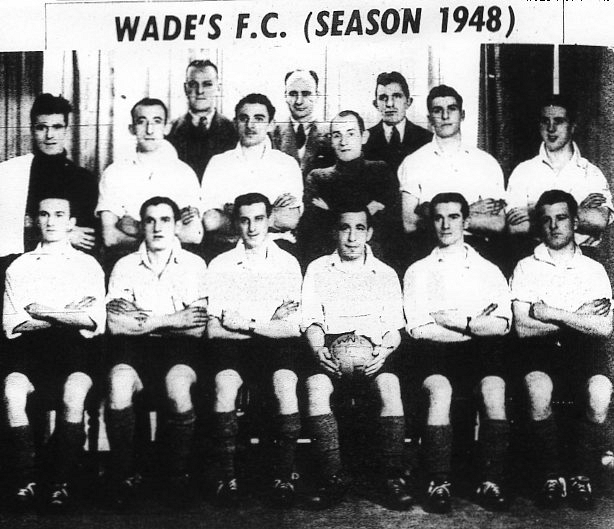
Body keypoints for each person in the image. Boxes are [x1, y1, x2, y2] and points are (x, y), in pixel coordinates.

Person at [403, 192, 512, 513]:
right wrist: (474, 324)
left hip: (479, 354)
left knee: (494, 389)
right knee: (440, 390)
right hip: (434, 353)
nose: (446, 224)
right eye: (439, 217)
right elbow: (419, 328)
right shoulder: (418, 270)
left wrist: (454, 320)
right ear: (431, 222)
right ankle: (438, 482)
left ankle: (491, 481)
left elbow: (502, 325)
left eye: (453, 217)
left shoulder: (488, 269)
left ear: (466, 221)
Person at [301, 204, 411, 510]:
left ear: (369, 232)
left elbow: (394, 328)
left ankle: (392, 477)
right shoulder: (318, 268)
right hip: (330, 350)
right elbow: (311, 320)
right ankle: (332, 477)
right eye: (344, 228)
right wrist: (318, 350)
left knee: (390, 386)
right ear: (334, 232)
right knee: (315, 387)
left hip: (374, 352)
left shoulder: (385, 273)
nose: (351, 237)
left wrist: (384, 353)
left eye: (359, 228)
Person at [509, 189, 613, 510]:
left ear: (576, 222)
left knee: (600, 391)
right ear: (539, 225)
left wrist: (552, 312)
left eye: (562, 218)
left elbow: (604, 327)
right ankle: (552, 476)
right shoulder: (526, 266)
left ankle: (581, 475)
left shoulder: (593, 269)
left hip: (583, 354)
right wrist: (579, 316)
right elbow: (523, 327)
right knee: (538, 388)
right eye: (546, 220)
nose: (554, 226)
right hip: (539, 353)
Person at [2, 195, 105, 512]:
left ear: (72, 222)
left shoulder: (88, 265)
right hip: (28, 352)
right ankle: (27, 480)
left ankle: (61, 482)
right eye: (44, 214)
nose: (51, 221)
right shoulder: (19, 266)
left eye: (59, 215)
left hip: (75, 351)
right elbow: (13, 323)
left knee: (75, 393)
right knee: (12, 392)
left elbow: (93, 320)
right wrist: (65, 313)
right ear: (35, 220)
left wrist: (42, 311)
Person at [105, 196, 208, 507]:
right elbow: (116, 325)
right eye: (150, 220)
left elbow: (197, 327)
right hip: (134, 347)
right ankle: (126, 475)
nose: (157, 227)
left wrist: (143, 319)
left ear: (176, 226)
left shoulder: (194, 264)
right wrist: (172, 319)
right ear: (141, 226)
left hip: (181, 348)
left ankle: (176, 476)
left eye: (165, 220)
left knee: (178, 387)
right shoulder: (124, 266)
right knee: (119, 384)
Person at [206, 193, 303, 508]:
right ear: (236, 222)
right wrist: (267, 321)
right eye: (245, 220)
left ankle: (284, 475)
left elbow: (292, 328)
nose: (252, 227)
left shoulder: (287, 263)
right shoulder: (221, 264)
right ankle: (228, 477)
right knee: (224, 386)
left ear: (270, 219)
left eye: (259, 219)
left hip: (274, 346)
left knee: (285, 385)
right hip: (234, 348)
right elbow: (214, 329)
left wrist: (244, 323)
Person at [398, 85, 506, 266]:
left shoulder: (486, 163)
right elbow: (410, 224)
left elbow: (498, 223)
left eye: (452, 109)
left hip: (477, 254)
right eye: (437, 110)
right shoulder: (413, 162)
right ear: (429, 119)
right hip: (429, 253)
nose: (445, 116)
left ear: (462, 115)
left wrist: (431, 212)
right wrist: (470, 211)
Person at [96, 98, 203, 267]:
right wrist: (167, 231)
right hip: (128, 261)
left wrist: (138, 228)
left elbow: (194, 235)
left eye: (157, 121)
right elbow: (110, 237)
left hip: (174, 263)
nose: (149, 130)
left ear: (167, 128)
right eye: (141, 122)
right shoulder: (114, 173)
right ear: (132, 128)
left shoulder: (184, 173)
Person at [506, 95, 613, 261]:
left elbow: (599, 220)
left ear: (572, 126)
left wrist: (535, 211)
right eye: (545, 121)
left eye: (559, 121)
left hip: (583, 259)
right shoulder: (523, 171)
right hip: (535, 259)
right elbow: (515, 227)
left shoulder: (591, 173)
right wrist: (578, 212)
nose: (551, 128)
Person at [201, 93, 303, 258]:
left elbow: (290, 219)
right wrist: (270, 214)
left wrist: (235, 216)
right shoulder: (218, 163)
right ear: (235, 123)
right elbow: (211, 221)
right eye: (244, 118)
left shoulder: (287, 164)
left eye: (259, 118)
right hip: (228, 248)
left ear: (271, 124)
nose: (250, 125)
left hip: (277, 247)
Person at [0, 93, 98, 258]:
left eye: (57, 127)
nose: (49, 135)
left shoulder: (83, 179)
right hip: (19, 262)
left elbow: (87, 237)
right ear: (32, 130)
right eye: (41, 127)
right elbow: (8, 228)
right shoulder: (12, 173)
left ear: (66, 130)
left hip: (67, 263)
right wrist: (63, 235)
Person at [302, 110, 400, 268]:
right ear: (331, 140)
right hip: (328, 261)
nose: (343, 142)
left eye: (351, 134)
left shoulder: (380, 171)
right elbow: (314, 227)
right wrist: (367, 211)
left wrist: (330, 211)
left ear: (364, 137)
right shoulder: (318, 177)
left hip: (374, 259)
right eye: (337, 135)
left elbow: (389, 224)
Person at [166, 59, 237, 181]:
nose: (200, 91)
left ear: (218, 88)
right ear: (185, 88)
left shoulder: (234, 130)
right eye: (193, 84)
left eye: (207, 84)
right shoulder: (169, 131)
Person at [271, 69, 335, 180]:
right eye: (293, 94)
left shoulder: (332, 134)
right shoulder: (272, 134)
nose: (299, 101)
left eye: (306, 94)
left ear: (317, 95)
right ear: (285, 96)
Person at [364, 71, 432, 172]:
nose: (389, 104)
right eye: (383, 98)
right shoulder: (364, 140)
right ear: (376, 104)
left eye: (396, 96)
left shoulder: (427, 139)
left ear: (408, 102)